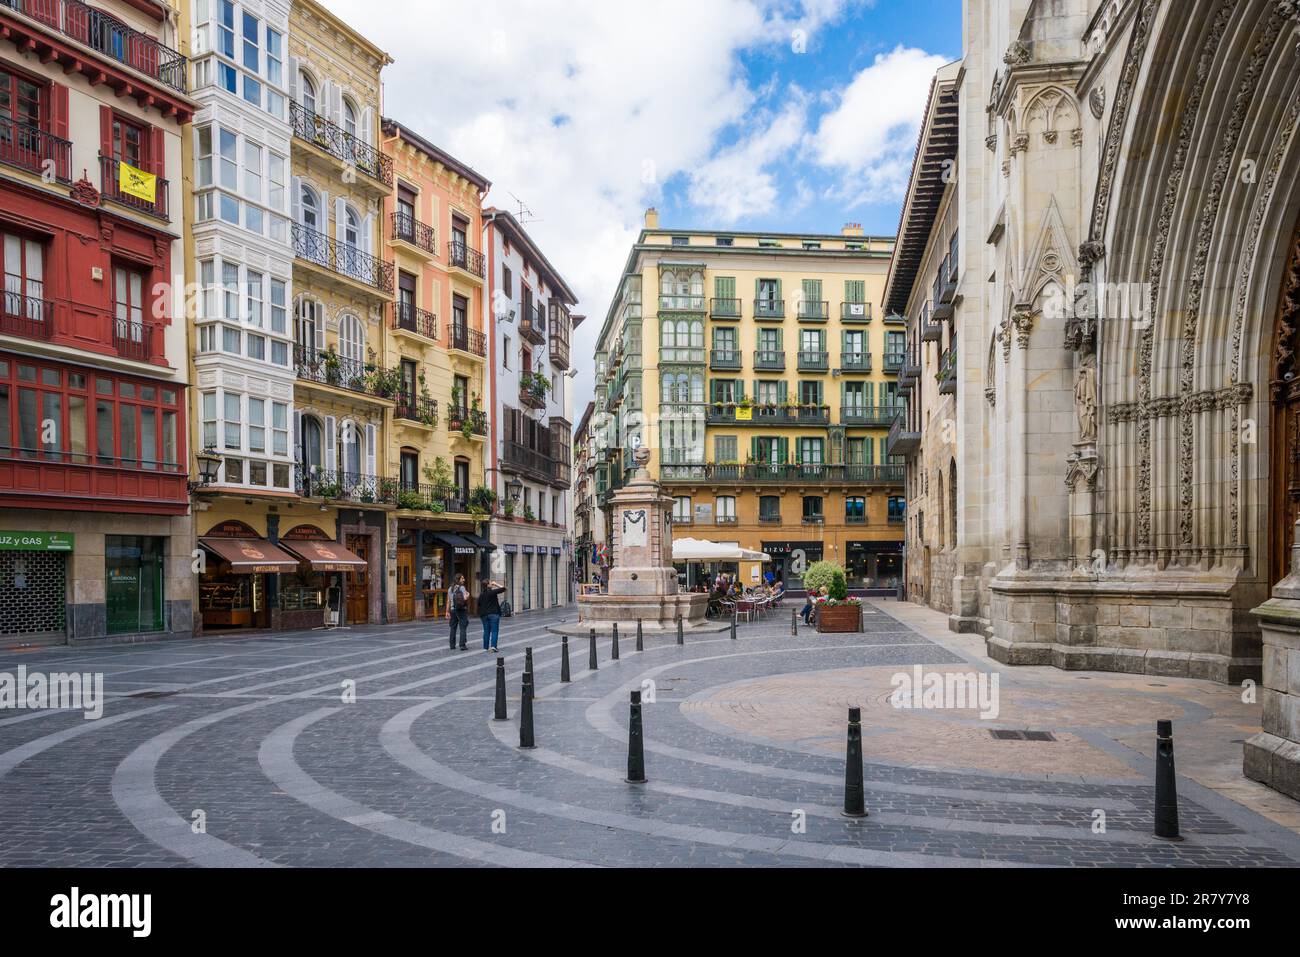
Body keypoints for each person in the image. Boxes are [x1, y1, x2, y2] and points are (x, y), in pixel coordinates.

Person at [477, 578, 507, 653]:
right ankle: (493, 646)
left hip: (484, 615)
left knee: (486, 631)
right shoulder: (492, 592)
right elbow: (504, 588)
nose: (492, 583)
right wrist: (496, 584)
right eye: (490, 583)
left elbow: (479, 604)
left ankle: (485, 647)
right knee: (494, 631)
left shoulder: (481, 594)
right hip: (493, 614)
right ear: (488, 585)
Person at [447, 574, 470, 650]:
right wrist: (468, 594)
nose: (464, 580)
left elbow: (448, 601)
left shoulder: (450, 588)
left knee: (453, 627)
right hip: (461, 609)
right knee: (463, 627)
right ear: (459, 579)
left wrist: (447, 611)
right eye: (462, 578)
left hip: (453, 610)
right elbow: (465, 598)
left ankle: (452, 645)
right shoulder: (462, 587)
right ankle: (462, 645)